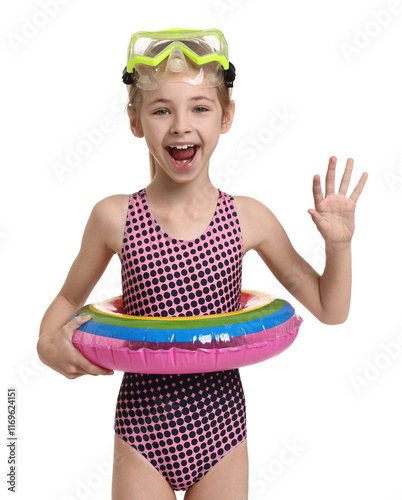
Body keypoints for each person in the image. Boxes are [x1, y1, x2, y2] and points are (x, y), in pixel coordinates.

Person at [37, 29, 368, 499]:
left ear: (226, 116)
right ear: (135, 121)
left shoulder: (249, 217)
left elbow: (330, 309)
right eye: (160, 110)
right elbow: (69, 299)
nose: (179, 126)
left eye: (199, 107)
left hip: (222, 430)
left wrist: (340, 246)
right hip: (141, 428)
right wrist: (46, 345)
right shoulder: (113, 217)